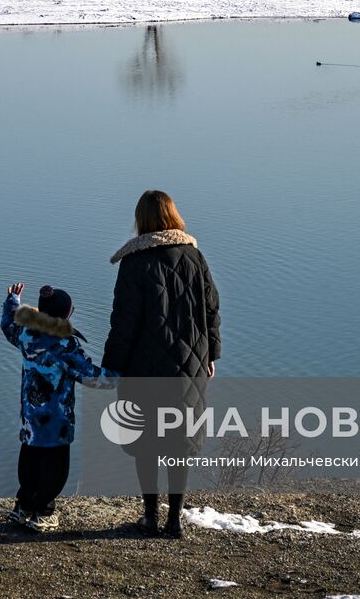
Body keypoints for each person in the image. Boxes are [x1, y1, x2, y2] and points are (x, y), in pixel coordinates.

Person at [103, 190, 221, 539]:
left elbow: (123, 321)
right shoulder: (194, 256)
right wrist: (211, 355)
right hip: (191, 366)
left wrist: (112, 365)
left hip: (144, 367)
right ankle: (175, 522)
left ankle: (151, 517)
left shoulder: (134, 262)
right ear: (173, 216)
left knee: (146, 442)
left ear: (142, 220)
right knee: (179, 442)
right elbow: (212, 309)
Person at [0, 282, 117, 531]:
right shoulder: (64, 345)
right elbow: (91, 376)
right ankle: (43, 512)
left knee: (29, 461)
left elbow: (8, 326)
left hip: (30, 417)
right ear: (65, 315)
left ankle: (23, 507)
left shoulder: (26, 334)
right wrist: (119, 374)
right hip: (56, 422)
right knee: (55, 468)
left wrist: (13, 302)